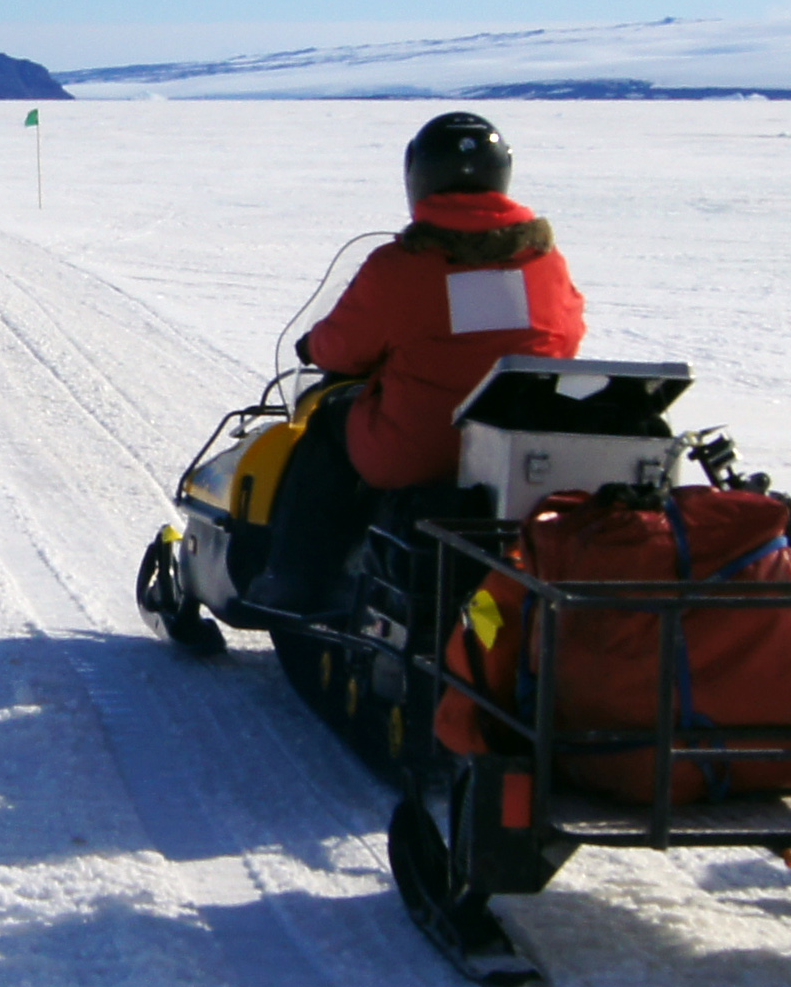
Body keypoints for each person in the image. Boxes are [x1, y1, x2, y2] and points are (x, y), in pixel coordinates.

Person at [246, 110, 587, 618]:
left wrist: (313, 348)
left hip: (419, 450)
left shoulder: (402, 265)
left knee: (329, 425)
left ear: (419, 179)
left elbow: (344, 348)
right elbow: (569, 335)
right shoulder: (543, 261)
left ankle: (296, 578)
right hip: (517, 452)